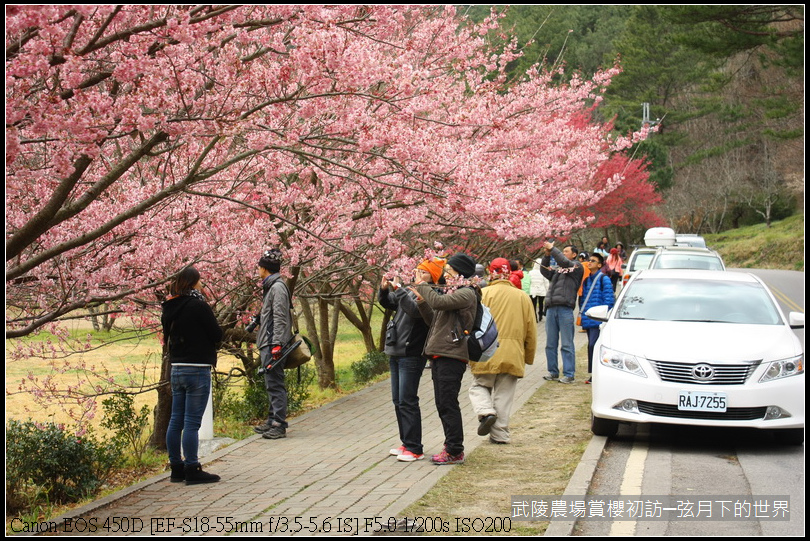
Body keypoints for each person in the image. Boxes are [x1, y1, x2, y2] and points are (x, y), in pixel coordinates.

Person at [411, 253, 479, 465]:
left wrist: (422, 285)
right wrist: (422, 302)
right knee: (442, 403)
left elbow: (439, 303)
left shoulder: (467, 293)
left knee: (448, 403)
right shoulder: (453, 293)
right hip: (441, 353)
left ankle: (455, 450)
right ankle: (450, 446)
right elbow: (434, 320)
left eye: (449, 270)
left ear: (460, 272)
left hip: (453, 354)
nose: (445, 274)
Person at [162, 266, 223, 485]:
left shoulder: (169, 306)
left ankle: (176, 467)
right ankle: (192, 468)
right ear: (193, 283)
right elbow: (217, 334)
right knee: (191, 422)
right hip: (197, 368)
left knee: (176, 419)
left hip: (177, 367)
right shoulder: (199, 306)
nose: (202, 284)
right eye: (200, 281)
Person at [379, 258, 442, 462]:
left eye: (424, 272)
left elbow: (415, 312)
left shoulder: (431, 294)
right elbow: (390, 303)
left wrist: (399, 291)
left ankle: (415, 447)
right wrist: (384, 290)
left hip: (411, 352)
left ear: (433, 277)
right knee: (398, 400)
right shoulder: (409, 290)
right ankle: (406, 442)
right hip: (396, 350)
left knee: (408, 399)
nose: (418, 274)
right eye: (418, 270)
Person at [469, 258, 537, 444]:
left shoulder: (483, 293)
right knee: (504, 395)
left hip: (486, 351)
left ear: (491, 272)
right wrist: (528, 356)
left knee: (479, 386)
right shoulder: (522, 297)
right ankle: (500, 435)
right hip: (513, 353)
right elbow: (531, 330)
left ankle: (485, 411)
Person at [251, 249, 294, 440]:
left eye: (259, 267)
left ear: (265, 268)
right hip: (268, 342)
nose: (258, 270)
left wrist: (277, 343)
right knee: (271, 383)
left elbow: (280, 317)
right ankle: (271, 420)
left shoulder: (277, 287)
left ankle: (279, 423)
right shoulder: (272, 286)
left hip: (272, 343)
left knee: (275, 384)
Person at [540, 242, 583, 384]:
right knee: (550, 343)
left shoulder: (576, 267)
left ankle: (569, 373)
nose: (563, 253)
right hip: (551, 308)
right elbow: (545, 271)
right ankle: (553, 372)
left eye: (566, 251)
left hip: (565, 308)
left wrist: (553, 249)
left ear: (574, 254)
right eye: (562, 251)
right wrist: (547, 255)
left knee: (566, 343)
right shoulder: (559, 270)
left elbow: (564, 262)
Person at [580, 253, 615, 384]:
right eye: (589, 260)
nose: (589, 262)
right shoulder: (586, 280)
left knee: (593, 346)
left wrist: (605, 316)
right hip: (589, 318)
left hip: (599, 318)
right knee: (591, 346)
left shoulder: (603, 279)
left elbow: (609, 299)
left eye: (593, 261)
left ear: (599, 265)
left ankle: (595, 373)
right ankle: (593, 373)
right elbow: (583, 299)